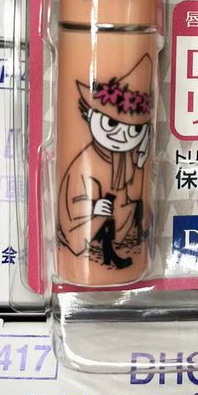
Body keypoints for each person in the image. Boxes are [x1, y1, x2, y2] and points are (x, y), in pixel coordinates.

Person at [58, 54, 153, 270]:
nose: (122, 136)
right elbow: (73, 203)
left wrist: (141, 158)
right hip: (84, 221)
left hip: (114, 217)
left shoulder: (125, 159)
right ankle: (109, 254)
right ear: (90, 115)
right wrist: (94, 206)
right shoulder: (85, 163)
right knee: (107, 212)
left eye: (135, 129)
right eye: (110, 123)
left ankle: (124, 246)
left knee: (134, 208)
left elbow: (133, 191)